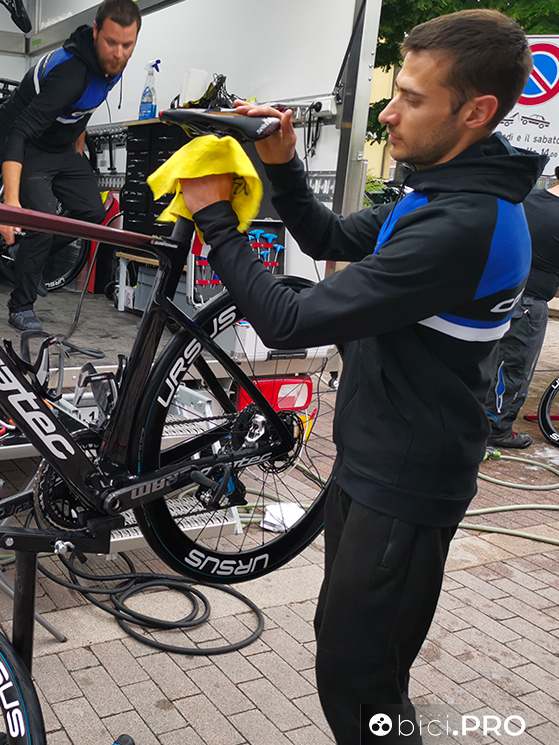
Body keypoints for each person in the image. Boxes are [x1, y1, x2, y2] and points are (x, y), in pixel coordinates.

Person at [179, 10, 545, 744]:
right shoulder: (436, 192)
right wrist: (283, 163)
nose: (388, 112)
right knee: (354, 651)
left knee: (358, 685)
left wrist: (216, 220)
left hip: (407, 483)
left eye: (412, 97)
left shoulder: (464, 223)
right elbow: (327, 236)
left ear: (475, 112)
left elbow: (286, 322)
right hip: (374, 460)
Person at [0, 0, 141, 331]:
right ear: (95, 31)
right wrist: (11, 206)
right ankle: (20, 307)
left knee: (92, 211)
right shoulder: (71, 73)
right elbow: (19, 132)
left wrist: (77, 154)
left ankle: (28, 256)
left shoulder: (112, 66)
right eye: (111, 42)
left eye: (127, 45)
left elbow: (83, 111)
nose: (119, 53)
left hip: (59, 147)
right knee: (43, 220)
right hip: (25, 142)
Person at [486, 167, 559, 449]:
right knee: (515, 368)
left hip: (495, 294)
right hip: (528, 305)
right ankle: (498, 429)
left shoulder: (527, 199)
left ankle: (476, 420)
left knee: (489, 363)